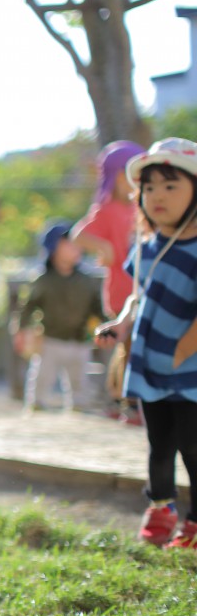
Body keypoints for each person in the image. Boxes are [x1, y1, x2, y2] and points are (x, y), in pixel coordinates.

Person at [96, 138, 197, 549]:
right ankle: (160, 507)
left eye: (171, 186)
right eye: (149, 187)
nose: (157, 196)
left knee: (193, 446)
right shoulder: (146, 247)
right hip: (151, 365)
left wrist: (184, 348)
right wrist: (119, 325)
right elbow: (139, 296)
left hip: (190, 370)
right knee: (159, 443)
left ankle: (194, 523)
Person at [11, 222, 105, 413]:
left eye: (78, 243)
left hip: (79, 340)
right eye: (69, 243)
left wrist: (106, 326)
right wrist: (21, 330)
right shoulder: (43, 279)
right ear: (53, 248)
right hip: (50, 340)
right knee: (42, 378)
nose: (76, 248)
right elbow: (27, 307)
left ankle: (78, 408)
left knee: (80, 381)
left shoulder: (86, 280)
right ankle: (36, 407)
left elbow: (98, 308)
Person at [72, 140, 145, 318]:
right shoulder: (107, 210)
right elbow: (78, 235)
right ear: (121, 176)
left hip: (144, 293)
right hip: (122, 297)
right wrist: (105, 247)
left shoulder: (141, 207)